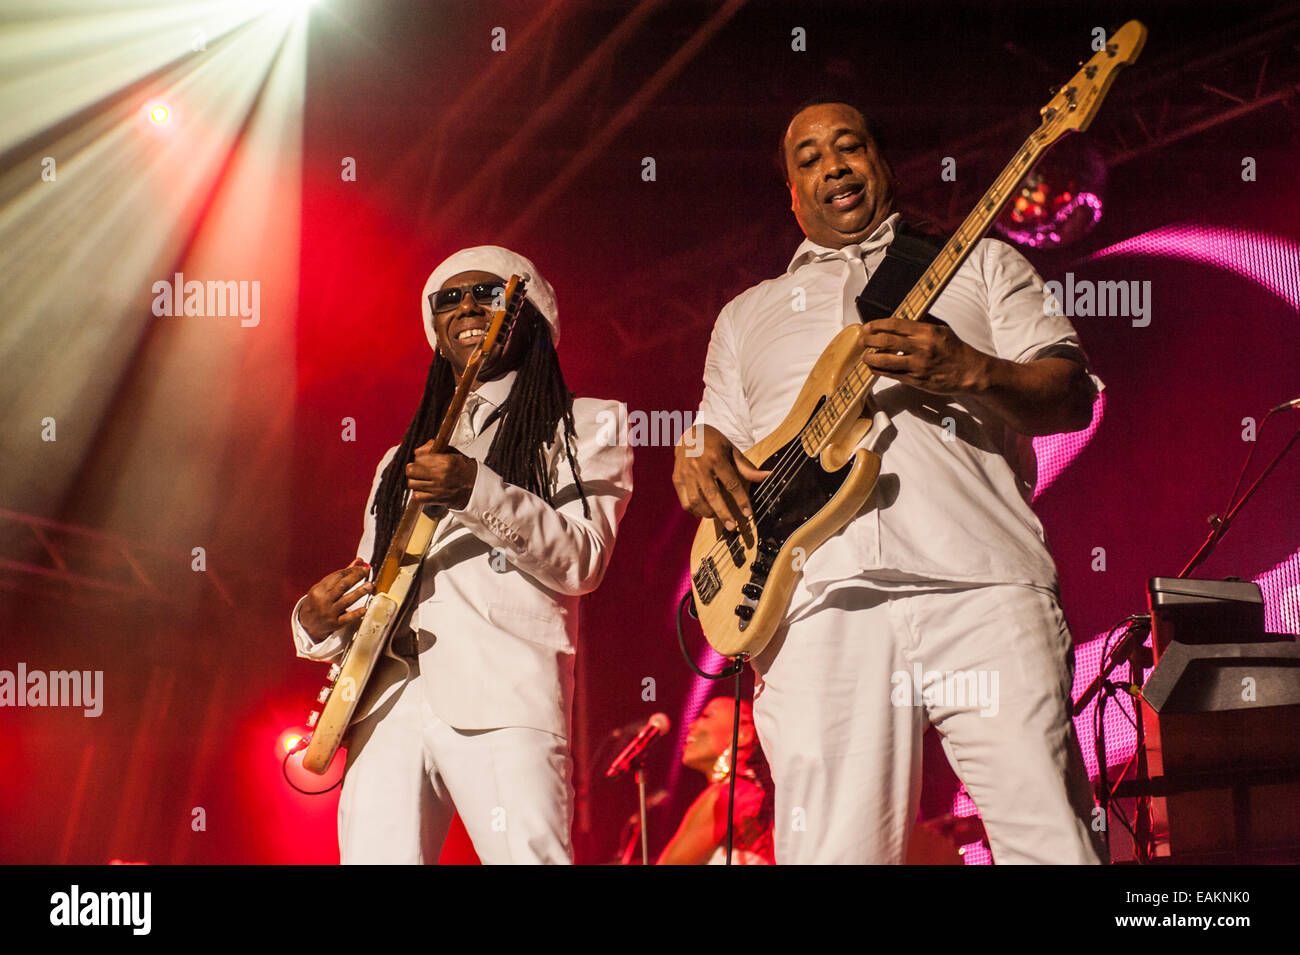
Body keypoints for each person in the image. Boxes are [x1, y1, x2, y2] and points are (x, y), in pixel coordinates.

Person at [672, 100, 1106, 864]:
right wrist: (695, 455)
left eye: (849, 146)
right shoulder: (746, 317)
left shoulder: (982, 263)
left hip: (980, 582)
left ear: (882, 162)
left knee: (1048, 836)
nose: (832, 165)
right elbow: (717, 445)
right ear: (793, 194)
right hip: (816, 602)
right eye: (808, 158)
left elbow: (1071, 395)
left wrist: (969, 368)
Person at [292, 245, 633, 864]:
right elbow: (375, 584)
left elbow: (584, 559)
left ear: (532, 316)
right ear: (435, 330)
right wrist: (312, 626)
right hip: (387, 702)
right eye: (448, 298)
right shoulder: (398, 461)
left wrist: (475, 489)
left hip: (504, 695)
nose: (469, 305)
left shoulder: (586, 423)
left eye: (490, 293)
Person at [657, 696, 775, 865]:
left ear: (743, 734)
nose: (692, 725)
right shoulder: (753, 792)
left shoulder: (729, 794)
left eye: (706, 716)